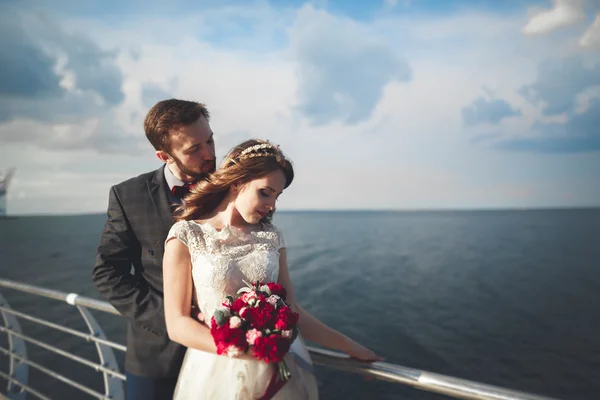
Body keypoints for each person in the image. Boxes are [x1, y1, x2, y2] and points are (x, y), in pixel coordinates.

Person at [163, 139, 383, 399]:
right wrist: (246, 351)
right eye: (265, 192)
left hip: (278, 369)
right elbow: (177, 325)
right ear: (236, 182)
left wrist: (354, 348)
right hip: (216, 371)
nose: (272, 205)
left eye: (277, 196)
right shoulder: (187, 235)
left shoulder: (272, 237)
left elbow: (291, 310)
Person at [92, 99, 217, 399]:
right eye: (194, 149)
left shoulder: (235, 188)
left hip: (223, 357)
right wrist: (173, 319)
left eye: (210, 140)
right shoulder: (128, 195)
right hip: (156, 357)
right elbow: (108, 273)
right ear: (164, 155)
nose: (210, 153)